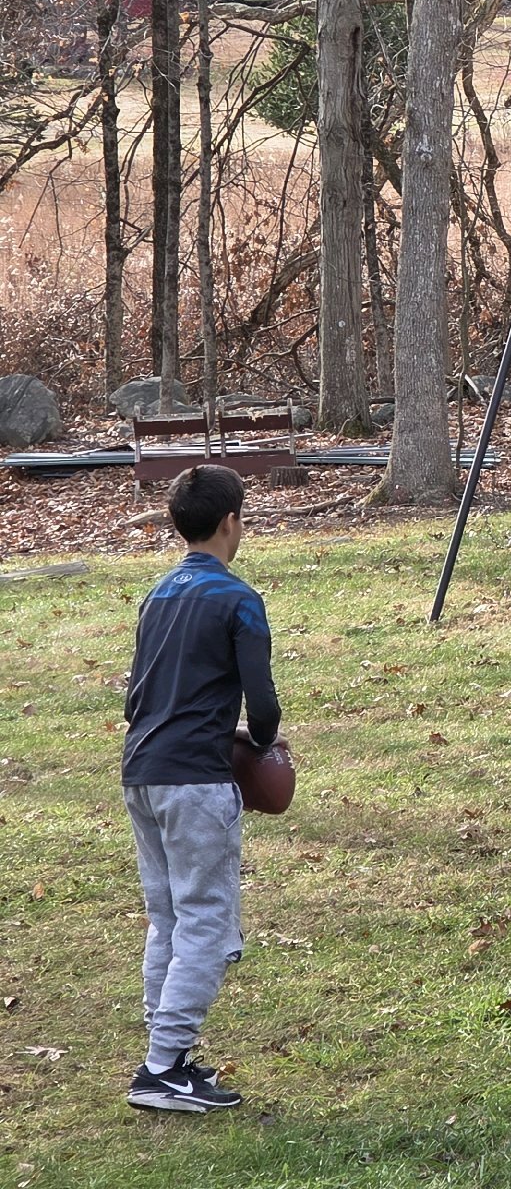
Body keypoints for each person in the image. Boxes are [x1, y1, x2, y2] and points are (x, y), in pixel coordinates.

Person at [122, 464, 284, 1113]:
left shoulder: (155, 596)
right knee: (207, 922)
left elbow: (140, 697)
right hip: (195, 780)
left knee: (168, 917)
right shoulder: (239, 599)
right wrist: (261, 743)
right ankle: (163, 1068)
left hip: (142, 774)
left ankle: (169, 1057)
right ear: (231, 523)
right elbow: (264, 707)